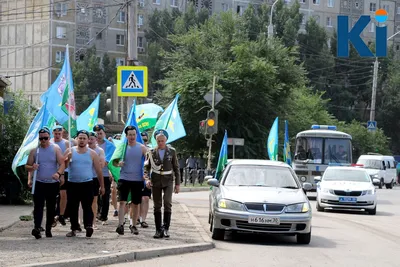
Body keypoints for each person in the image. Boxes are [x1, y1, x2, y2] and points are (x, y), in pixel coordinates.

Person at [64, 130, 105, 238]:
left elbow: (98, 171)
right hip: (72, 183)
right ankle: (74, 228)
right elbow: (63, 166)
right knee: (73, 207)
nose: (82, 140)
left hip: (87, 183)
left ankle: (88, 226)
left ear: (87, 140)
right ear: (76, 139)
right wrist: (67, 160)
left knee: (87, 206)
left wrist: (102, 186)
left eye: (84, 138)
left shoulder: (92, 153)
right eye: (80, 138)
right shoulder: (70, 151)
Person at [26, 128, 66, 239]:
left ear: (49, 137)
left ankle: (48, 228)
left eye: (46, 138)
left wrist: (58, 174)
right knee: (38, 206)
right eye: (41, 138)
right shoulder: (35, 151)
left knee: (51, 207)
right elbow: (27, 166)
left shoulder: (55, 148)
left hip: (52, 183)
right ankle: (37, 228)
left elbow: (62, 164)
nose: (43, 140)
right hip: (39, 182)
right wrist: (32, 167)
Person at [144, 129, 180, 238]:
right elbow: (146, 167)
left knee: (167, 203)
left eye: (162, 141)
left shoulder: (172, 151)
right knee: (157, 205)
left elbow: (176, 168)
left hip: (168, 180)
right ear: (156, 141)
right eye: (158, 141)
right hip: (156, 180)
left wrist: (177, 184)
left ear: (166, 140)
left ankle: (166, 228)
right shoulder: (151, 152)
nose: (160, 143)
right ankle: (158, 229)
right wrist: (147, 179)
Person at [113, 126, 148, 235]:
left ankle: (133, 225)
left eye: (134, 134)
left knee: (135, 203)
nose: (132, 137)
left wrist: (146, 173)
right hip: (124, 178)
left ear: (136, 135)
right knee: (122, 202)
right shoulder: (121, 147)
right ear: (126, 135)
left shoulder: (142, 148)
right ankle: (120, 224)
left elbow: (149, 160)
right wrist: (118, 163)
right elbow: (114, 162)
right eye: (130, 135)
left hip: (137, 179)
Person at [93, 124, 114, 224]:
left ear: (104, 134)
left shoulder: (110, 145)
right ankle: (95, 213)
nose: (98, 136)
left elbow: (106, 161)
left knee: (105, 194)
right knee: (94, 194)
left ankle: (104, 215)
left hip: (105, 174)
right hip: (93, 174)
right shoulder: (91, 144)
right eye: (97, 134)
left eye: (100, 133)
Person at [51, 125, 71, 226]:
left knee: (64, 194)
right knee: (53, 195)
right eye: (56, 134)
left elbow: (69, 157)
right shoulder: (50, 142)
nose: (57, 135)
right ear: (53, 133)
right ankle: (53, 215)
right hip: (52, 172)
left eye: (59, 133)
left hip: (65, 171)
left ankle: (61, 214)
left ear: (62, 133)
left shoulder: (66, 143)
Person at [88, 131, 105, 230]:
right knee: (82, 201)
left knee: (94, 201)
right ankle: (81, 221)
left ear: (96, 140)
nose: (90, 141)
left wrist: (97, 161)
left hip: (94, 178)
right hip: (83, 178)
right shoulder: (82, 150)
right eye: (89, 139)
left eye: (92, 139)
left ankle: (93, 221)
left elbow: (102, 165)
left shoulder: (99, 150)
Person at [136, 131, 151, 228]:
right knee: (136, 200)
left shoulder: (151, 151)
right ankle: (136, 217)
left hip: (147, 179)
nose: (143, 142)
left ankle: (143, 220)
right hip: (135, 178)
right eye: (141, 140)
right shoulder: (134, 149)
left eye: (145, 140)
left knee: (145, 198)